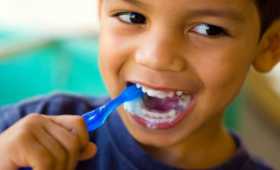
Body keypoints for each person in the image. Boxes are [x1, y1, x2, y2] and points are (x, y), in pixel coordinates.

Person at [0, 0, 279, 169]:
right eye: (133, 17)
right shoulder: (19, 134)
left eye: (208, 29)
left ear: (270, 47)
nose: (155, 57)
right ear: (101, 13)